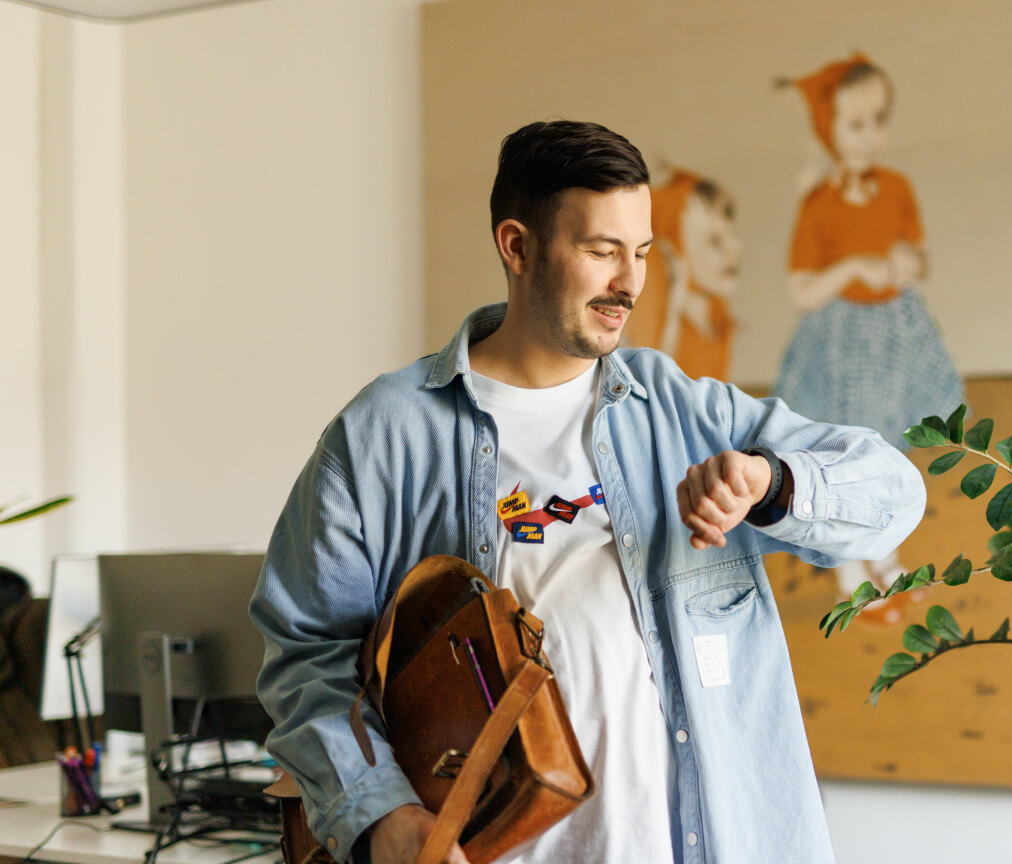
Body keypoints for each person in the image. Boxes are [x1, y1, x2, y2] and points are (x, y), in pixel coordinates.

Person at [250, 120, 924, 864]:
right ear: (517, 246)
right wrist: (380, 814)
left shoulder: (690, 414)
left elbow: (894, 493)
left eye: (640, 253)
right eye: (602, 252)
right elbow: (307, 656)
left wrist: (770, 481)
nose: (628, 283)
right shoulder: (382, 435)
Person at [774, 53, 962, 616]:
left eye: (879, 119)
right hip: (841, 348)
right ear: (828, 130)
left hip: (895, 340)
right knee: (842, 451)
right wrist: (851, 267)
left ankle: (885, 549)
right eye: (856, 123)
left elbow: (919, 256)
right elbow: (800, 290)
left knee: (885, 450)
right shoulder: (820, 205)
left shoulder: (896, 188)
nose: (870, 135)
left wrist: (908, 259)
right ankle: (848, 563)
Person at [620, 168, 741, 380]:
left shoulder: (717, 317)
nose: (735, 247)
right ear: (671, 252)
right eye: (714, 241)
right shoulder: (654, 317)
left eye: (731, 234)